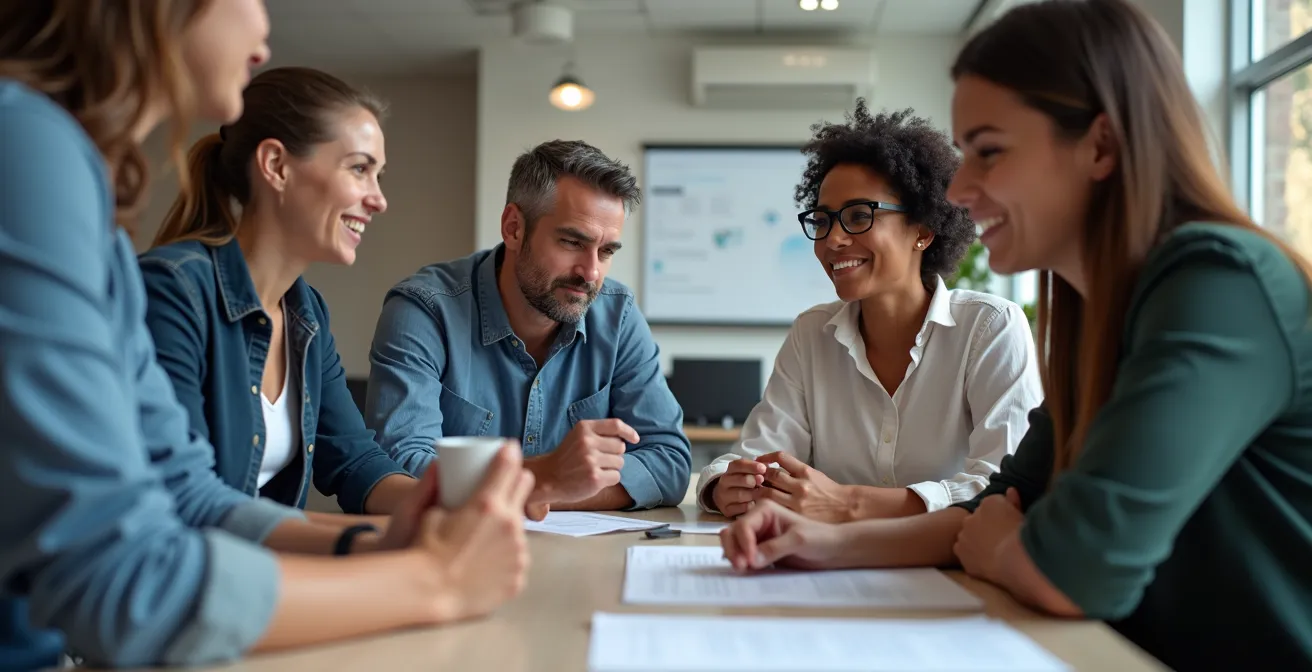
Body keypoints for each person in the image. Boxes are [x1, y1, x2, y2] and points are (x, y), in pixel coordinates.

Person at [719, 0, 1312, 668]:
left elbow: (1075, 567)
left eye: (989, 152)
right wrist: (814, 542)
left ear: (1101, 145)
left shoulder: (1217, 283)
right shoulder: (1097, 308)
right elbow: (1001, 502)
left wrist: (1005, 545)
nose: (962, 190)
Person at [0, 1, 532, 668]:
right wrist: (434, 580)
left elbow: (189, 492)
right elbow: (120, 575)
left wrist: (380, 543)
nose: (263, 21)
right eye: (360, 169)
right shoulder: (28, 151)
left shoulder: (83, 198)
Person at [698, 105, 1042, 523]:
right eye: (822, 221)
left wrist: (847, 504)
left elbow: (1005, 488)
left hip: (949, 566)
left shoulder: (990, 327)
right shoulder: (812, 333)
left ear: (923, 230)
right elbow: (756, 457)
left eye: (859, 216)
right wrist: (725, 486)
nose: (834, 239)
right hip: (828, 565)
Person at [139, 66, 416, 523]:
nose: (379, 199)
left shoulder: (306, 313)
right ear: (276, 166)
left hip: (251, 573)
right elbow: (183, 500)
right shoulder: (171, 291)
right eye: (360, 169)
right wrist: (357, 540)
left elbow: (355, 461)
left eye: (378, 175)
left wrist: (451, 506)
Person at [367, 139, 692, 512]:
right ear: (514, 228)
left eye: (606, 252)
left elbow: (669, 463)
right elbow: (399, 467)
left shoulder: (617, 315)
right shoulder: (425, 311)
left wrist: (544, 493)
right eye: (572, 242)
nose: (591, 273)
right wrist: (549, 480)